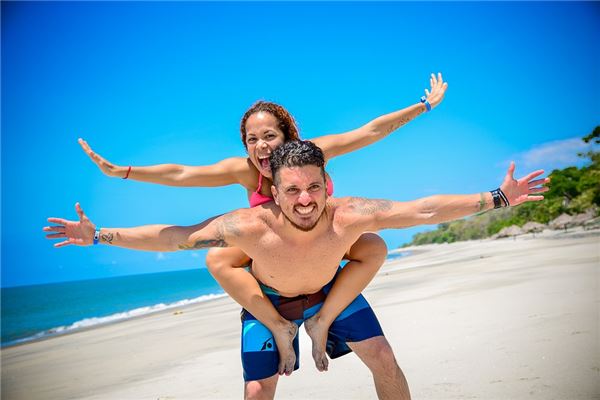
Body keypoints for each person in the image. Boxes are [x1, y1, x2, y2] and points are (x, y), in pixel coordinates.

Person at [45, 140, 549, 400]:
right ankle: (285, 329)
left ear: (327, 183)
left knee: (385, 359)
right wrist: (99, 235)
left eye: (313, 187)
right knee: (258, 391)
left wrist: (500, 196)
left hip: (331, 289)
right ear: (274, 191)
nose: (305, 200)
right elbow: (176, 237)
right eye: (292, 190)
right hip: (272, 299)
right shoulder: (247, 226)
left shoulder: (350, 213)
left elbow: (424, 210)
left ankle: (322, 321)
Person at [77, 74, 448, 374]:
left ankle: (324, 320)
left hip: (322, 244)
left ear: (288, 136)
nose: (261, 146)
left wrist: (423, 106)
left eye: (270, 135)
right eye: (252, 139)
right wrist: (122, 172)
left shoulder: (310, 153)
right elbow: (182, 173)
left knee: (372, 245)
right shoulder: (244, 169)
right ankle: (278, 326)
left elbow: (368, 133)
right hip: (275, 255)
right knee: (217, 257)